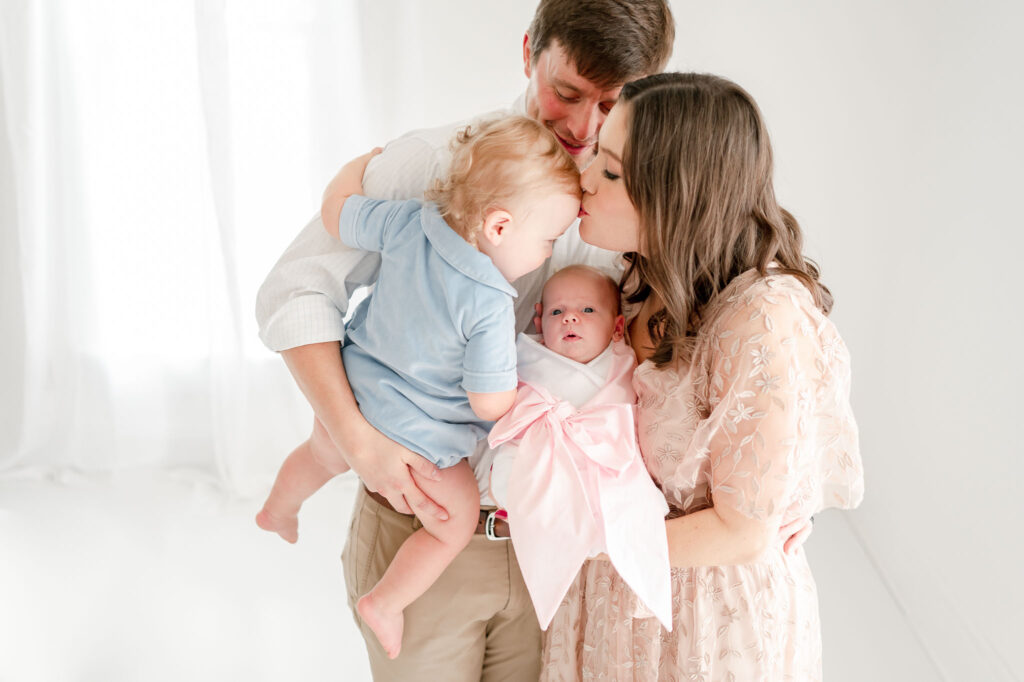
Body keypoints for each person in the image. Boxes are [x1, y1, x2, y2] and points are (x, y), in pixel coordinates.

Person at [256, 2, 676, 678]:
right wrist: (361, 446)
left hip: (560, 552)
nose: (583, 127)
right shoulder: (434, 163)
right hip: (423, 531)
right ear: (527, 53)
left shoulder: (638, 205)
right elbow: (295, 292)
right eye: (565, 93)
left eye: (611, 104)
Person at [540, 72, 865, 681]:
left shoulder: (760, 315)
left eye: (610, 171)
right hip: (616, 598)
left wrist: (576, 536)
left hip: (705, 625)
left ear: (675, 195)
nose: (584, 179)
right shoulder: (635, 279)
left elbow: (743, 531)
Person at [256, 115, 581, 659]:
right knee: (450, 522)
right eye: (548, 239)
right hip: (417, 433)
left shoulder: (411, 221)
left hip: (356, 393)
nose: (548, 252)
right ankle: (384, 602)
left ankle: (279, 507)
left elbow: (337, 213)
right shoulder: (490, 303)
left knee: (321, 451)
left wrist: (359, 165)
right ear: (499, 227)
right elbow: (489, 401)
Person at [486, 264, 673, 633]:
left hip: (605, 461)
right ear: (539, 323)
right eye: (557, 312)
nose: (570, 317)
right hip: (541, 458)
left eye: (587, 310)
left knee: (632, 498)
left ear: (618, 327)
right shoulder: (523, 360)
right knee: (515, 474)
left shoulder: (625, 363)